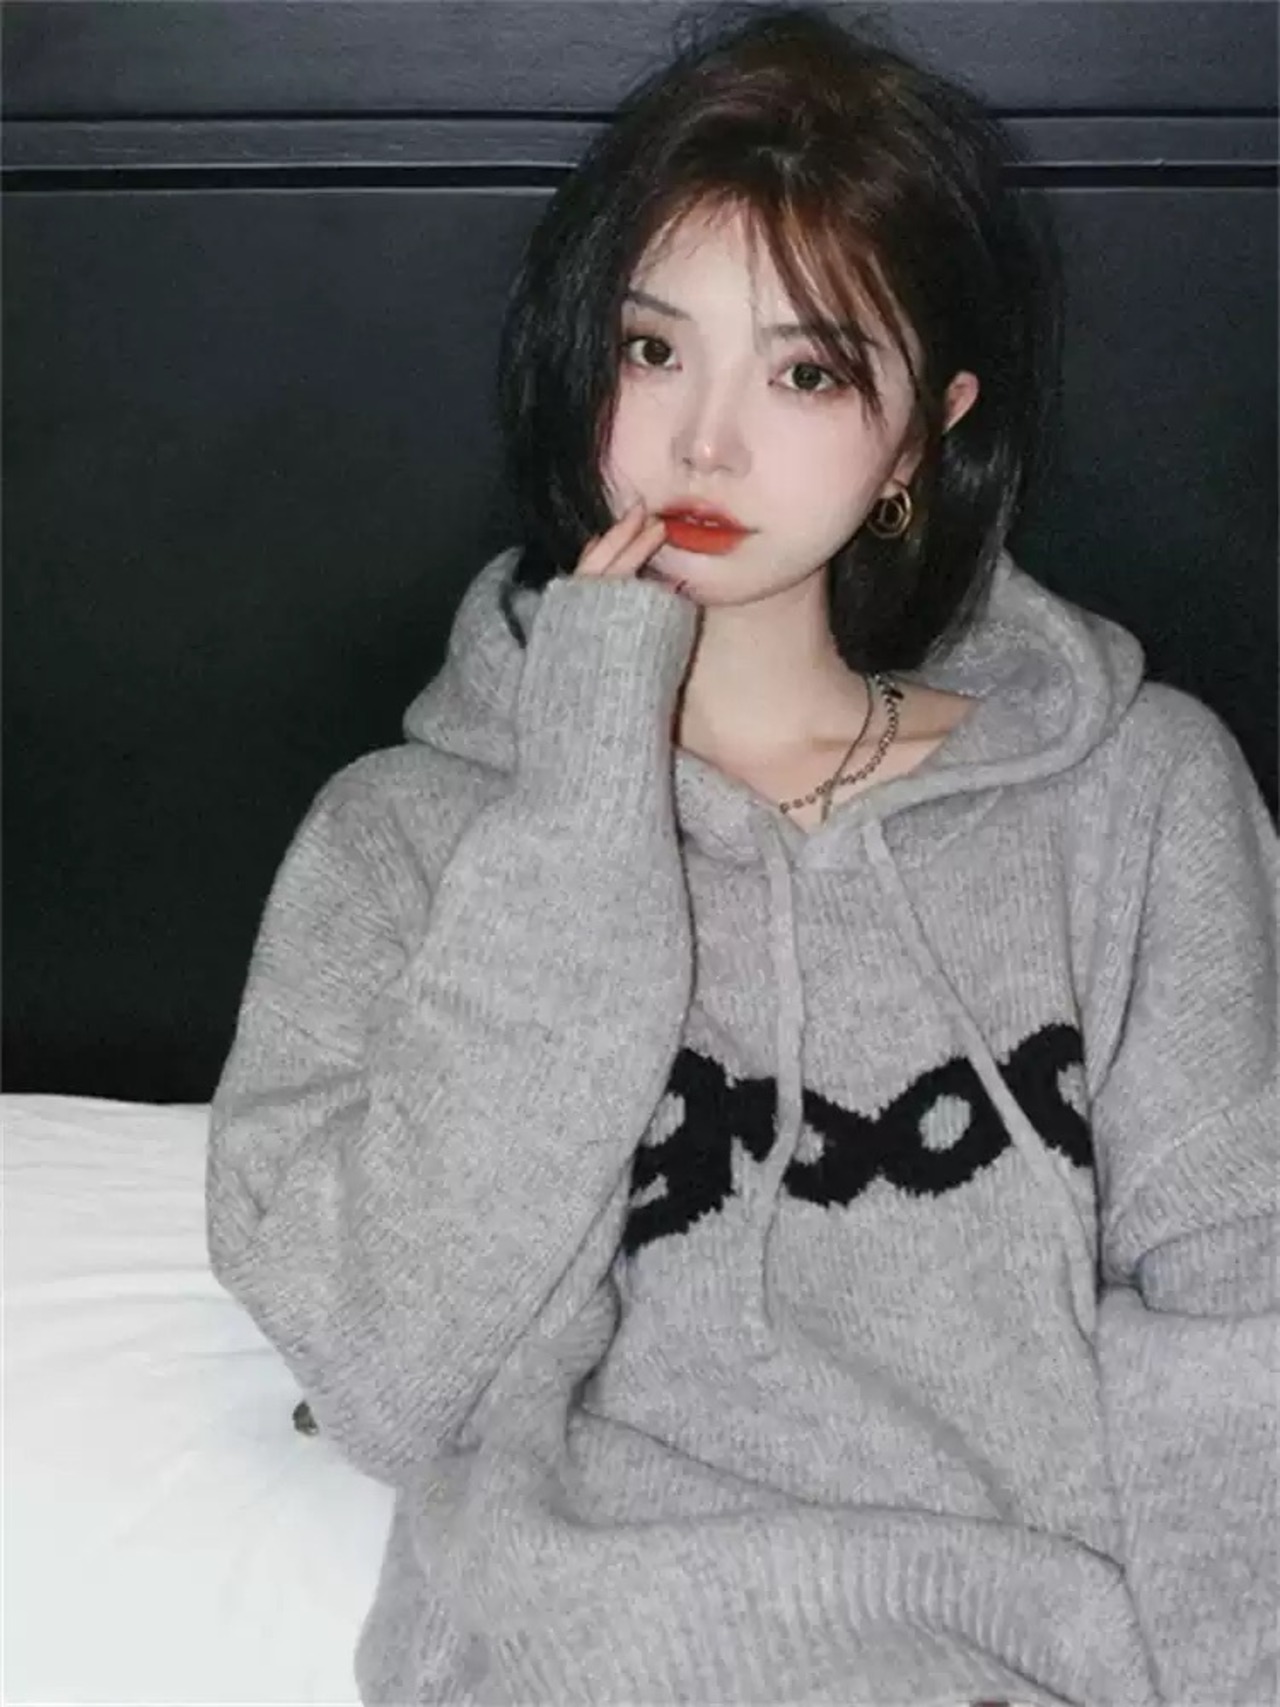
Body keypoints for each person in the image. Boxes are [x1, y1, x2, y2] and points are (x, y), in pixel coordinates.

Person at [205, 5, 1278, 1703]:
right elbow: (394, 1375)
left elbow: (1243, 1315)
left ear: (923, 432)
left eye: (805, 372)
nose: (705, 440)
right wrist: (582, 783)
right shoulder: (405, 842)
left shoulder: (1135, 799)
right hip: (583, 1662)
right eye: (653, 351)